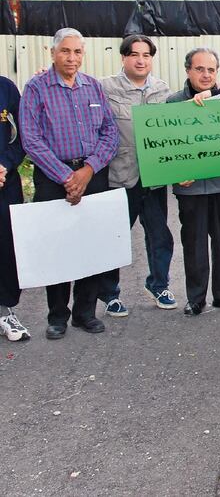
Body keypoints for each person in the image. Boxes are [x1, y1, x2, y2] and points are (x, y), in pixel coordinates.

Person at [19, 27, 119, 339]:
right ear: (52, 53)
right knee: (58, 246)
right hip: (53, 178)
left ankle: (85, 313)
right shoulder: (36, 88)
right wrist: (66, 177)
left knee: (90, 244)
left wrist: (88, 170)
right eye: (65, 51)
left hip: (92, 173)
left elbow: (110, 132)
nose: (71, 57)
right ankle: (57, 316)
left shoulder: (92, 87)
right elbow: (31, 140)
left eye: (77, 52)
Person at [99, 34, 175, 315]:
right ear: (124, 57)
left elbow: (175, 132)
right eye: (134, 54)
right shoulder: (105, 88)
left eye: (146, 55)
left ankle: (159, 285)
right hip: (120, 175)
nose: (141, 60)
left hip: (153, 177)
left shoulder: (162, 90)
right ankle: (109, 295)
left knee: (160, 236)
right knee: (115, 237)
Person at [167, 47, 220, 316]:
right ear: (188, 70)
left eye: (211, 69)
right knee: (194, 241)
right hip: (190, 189)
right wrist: (176, 173)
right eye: (200, 69)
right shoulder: (174, 103)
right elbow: (165, 148)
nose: (206, 74)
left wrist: (212, 95)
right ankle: (196, 298)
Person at [0, 74, 27, 342]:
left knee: (7, 246)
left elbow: (21, 137)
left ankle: (5, 310)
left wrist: (6, 165)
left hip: (4, 182)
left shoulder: (6, 88)